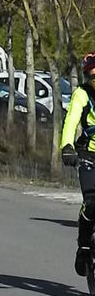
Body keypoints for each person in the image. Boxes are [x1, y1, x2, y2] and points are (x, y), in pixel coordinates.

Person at [61, 51, 95, 275]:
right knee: (92, 202)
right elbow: (71, 120)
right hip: (88, 155)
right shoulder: (82, 94)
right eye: (91, 77)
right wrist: (67, 146)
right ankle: (83, 247)